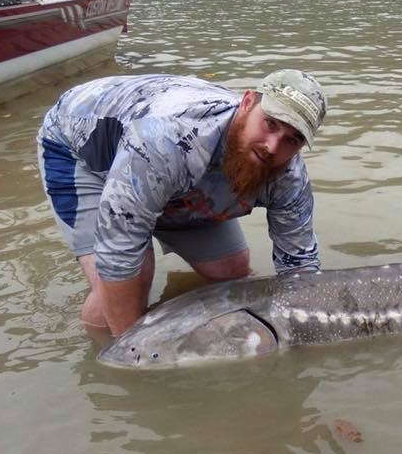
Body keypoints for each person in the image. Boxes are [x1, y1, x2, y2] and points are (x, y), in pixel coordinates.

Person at [37, 69, 328, 336]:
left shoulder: (289, 176)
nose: (272, 146)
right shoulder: (167, 140)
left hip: (169, 169)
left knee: (232, 271)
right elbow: (118, 256)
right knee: (130, 283)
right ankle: (103, 358)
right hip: (81, 150)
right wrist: (132, 358)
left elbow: (299, 267)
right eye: (270, 124)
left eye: (292, 139)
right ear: (247, 102)